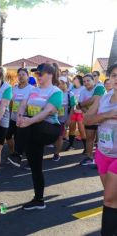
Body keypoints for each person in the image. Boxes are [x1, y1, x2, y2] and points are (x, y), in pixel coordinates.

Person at [17, 63, 62, 210]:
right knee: (36, 168)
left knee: (29, 124)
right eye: (36, 74)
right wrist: (19, 116)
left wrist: (29, 120)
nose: (38, 76)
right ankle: (39, 200)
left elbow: (48, 111)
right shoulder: (32, 90)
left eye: (40, 74)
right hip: (32, 131)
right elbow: (22, 105)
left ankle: (17, 154)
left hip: (50, 129)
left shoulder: (56, 91)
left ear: (50, 74)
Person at [84, 63, 117, 236]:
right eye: (114, 75)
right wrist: (106, 115)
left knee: (109, 199)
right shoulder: (103, 98)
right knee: (112, 197)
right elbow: (87, 120)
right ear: (109, 77)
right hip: (103, 153)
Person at [7, 68, 34, 167]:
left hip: (24, 119)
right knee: (8, 135)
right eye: (19, 74)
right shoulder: (14, 88)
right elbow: (11, 102)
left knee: (23, 139)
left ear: (28, 76)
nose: (21, 76)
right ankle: (13, 153)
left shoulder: (31, 89)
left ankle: (28, 160)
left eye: (23, 74)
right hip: (13, 117)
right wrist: (9, 114)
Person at [77, 74, 106, 166]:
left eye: (88, 80)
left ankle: (101, 159)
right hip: (90, 118)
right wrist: (88, 113)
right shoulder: (82, 91)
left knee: (101, 140)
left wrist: (81, 104)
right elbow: (81, 106)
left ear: (94, 81)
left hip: (102, 118)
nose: (86, 83)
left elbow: (94, 99)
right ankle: (89, 157)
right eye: (84, 81)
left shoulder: (99, 87)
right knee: (89, 139)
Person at [52, 76, 77, 161]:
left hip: (63, 119)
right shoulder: (54, 93)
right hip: (52, 119)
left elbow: (73, 107)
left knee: (60, 136)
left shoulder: (71, 94)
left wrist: (69, 119)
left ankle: (56, 154)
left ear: (66, 84)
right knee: (54, 136)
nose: (60, 85)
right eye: (59, 83)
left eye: (62, 83)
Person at [65, 75, 86, 151]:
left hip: (81, 112)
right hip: (73, 112)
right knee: (71, 129)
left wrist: (82, 110)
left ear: (79, 80)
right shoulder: (72, 90)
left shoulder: (84, 88)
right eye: (73, 78)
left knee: (81, 130)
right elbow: (72, 102)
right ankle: (71, 145)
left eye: (75, 78)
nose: (73, 79)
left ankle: (86, 148)